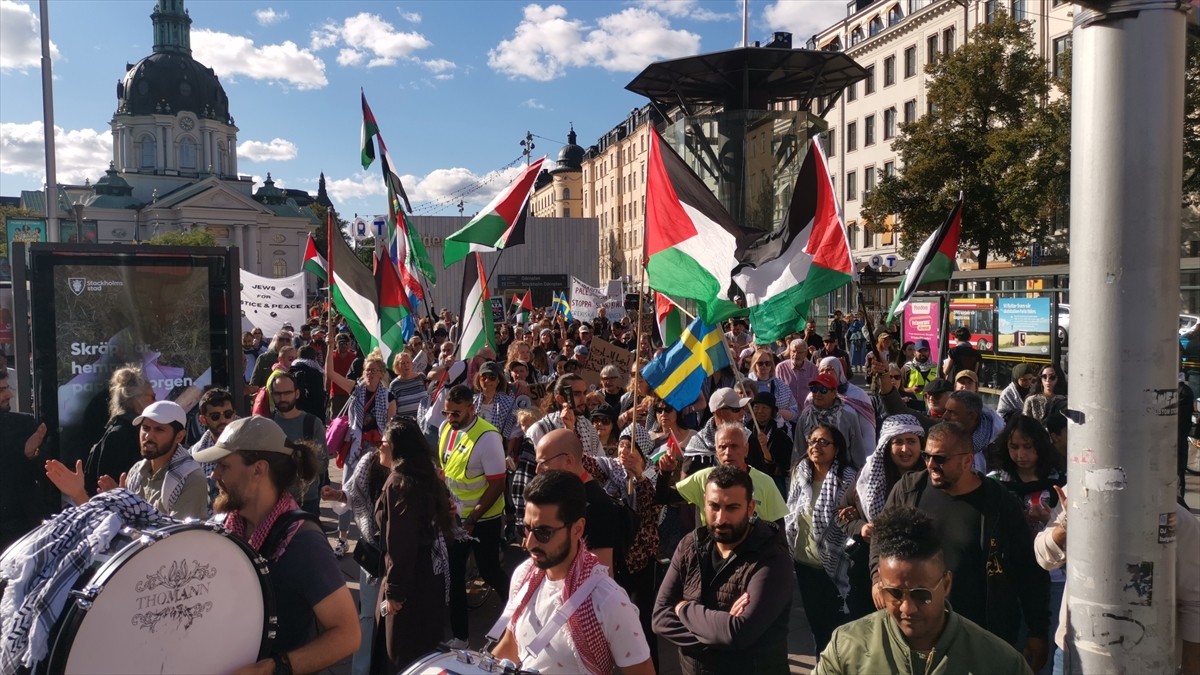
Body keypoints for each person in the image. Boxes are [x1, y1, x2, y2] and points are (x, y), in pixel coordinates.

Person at [875, 422, 1050, 669]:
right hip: (916, 634)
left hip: (981, 639)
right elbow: (881, 539)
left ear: (968, 461)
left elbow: (1028, 570)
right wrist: (876, 577)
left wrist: (1038, 630)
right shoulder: (908, 490)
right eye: (927, 456)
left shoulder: (1000, 503)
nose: (931, 465)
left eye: (941, 459)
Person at [193, 417, 359, 673]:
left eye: (224, 466)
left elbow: (348, 634)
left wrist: (273, 668)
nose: (214, 475)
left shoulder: (303, 542)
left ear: (259, 469)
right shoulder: (227, 527)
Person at [817, 506, 1034, 674]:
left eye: (921, 595)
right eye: (894, 593)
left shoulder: (999, 662)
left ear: (946, 584)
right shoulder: (847, 648)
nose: (908, 608)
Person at [492, 470, 654, 675]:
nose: (529, 543)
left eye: (544, 533)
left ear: (577, 529)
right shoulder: (523, 576)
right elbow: (511, 646)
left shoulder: (608, 600)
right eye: (526, 528)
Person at [1035, 489, 1199, 675]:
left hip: (1146, 660)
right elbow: (1044, 558)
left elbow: (1194, 601)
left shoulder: (1175, 519)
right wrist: (1066, 523)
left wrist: (1191, 667)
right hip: (1074, 652)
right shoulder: (1078, 492)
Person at [653, 465, 793, 674]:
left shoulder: (771, 558)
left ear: (750, 507)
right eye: (714, 506)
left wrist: (683, 608)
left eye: (732, 508)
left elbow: (738, 634)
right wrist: (721, 632)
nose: (721, 518)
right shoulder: (690, 545)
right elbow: (660, 618)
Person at [370, 418, 457, 674]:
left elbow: (400, 539)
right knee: (423, 653)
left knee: (398, 654)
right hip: (429, 581)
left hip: (408, 584)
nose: (379, 448)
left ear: (396, 446)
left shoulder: (398, 484)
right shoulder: (427, 478)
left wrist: (395, 591)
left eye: (382, 442)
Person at [439, 383, 510, 644]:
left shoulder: (488, 437)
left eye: (456, 413)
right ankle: (460, 637)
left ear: (472, 408)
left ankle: (515, 614)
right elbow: (448, 470)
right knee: (455, 575)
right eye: (447, 412)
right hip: (456, 518)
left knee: (490, 571)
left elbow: (497, 484)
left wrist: (473, 519)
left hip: (484, 520)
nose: (450, 418)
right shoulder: (448, 428)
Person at [786, 423, 861, 654]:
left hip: (837, 565)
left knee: (840, 628)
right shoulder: (800, 473)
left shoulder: (848, 478)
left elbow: (858, 512)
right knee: (817, 626)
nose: (816, 446)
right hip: (805, 565)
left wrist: (854, 513)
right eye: (812, 441)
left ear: (836, 449)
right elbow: (791, 512)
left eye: (823, 442)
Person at [534, 428, 626, 575]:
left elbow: (601, 574)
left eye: (543, 462)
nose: (537, 470)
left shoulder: (598, 507)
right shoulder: (567, 495)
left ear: (568, 461)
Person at [662, 423, 789, 525]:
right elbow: (664, 497)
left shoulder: (764, 482)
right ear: (716, 451)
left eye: (734, 446)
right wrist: (665, 473)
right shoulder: (704, 478)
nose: (728, 452)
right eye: (722, 447)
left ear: (746, 449)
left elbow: (779, 530)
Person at [83, 366, 154, 497]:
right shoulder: (120, 435)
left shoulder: (126, 430)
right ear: (137, 398)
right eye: (152, 397)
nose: (156, 402)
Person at [269, 372, 328, 522]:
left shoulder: (312, 423)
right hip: (272, 500)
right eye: (277, 394)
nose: (282, 398)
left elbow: (322, 463)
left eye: (287, 393)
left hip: (306, 501)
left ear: (297, 393)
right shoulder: (266, 424)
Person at [0, 370, 48, 550]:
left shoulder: (23, 425)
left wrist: (31, 454)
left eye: (7, 388)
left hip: (20, 532)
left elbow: (46, 473)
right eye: (1, 390)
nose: (9, 395)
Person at [798, 373, 870, 468]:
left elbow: (858, 452)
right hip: (811, 473)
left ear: (834, 393)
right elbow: (798, 452)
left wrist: (859, 477)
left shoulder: (848, 417)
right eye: (814, 389)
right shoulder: (805, 418)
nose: (817, 394)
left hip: (842, 474)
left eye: (823, 390)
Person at [474, 361, 522, 461]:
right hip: (473, 449)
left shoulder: (508, 403)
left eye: (492, 377)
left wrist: (506, 455)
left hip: (495, 452)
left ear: (498, 381)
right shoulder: (472, 402)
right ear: (479, 379)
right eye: (484, 377)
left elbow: (512, 433)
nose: (487, 380)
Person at [746, 391, 793, 494]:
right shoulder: (744, 432)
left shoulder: (781, 436)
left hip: (772, 485)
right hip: (747, 482)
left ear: (772, 412)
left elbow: (785, 469)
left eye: (765, 408)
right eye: (756, 407)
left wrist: (764, 448)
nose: (760, 411)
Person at [748, 350, 799, 422]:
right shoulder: (746, 385)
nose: (764, 366)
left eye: (767, 363)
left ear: (771, 365)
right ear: (754, 364)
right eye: (760, 363)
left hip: (776, 428)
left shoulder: (781, 386)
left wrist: (777, 412)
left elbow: (794, 412)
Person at [776, 338, 820, 407]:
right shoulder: (781, 368)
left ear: (805, 353)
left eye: (800, 352)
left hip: (807, 411)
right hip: (787, 412)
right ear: (790, 352)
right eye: (793, 351)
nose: (796, 355)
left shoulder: (813, 369)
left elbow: (817, 391)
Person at [388, 349, 427, 419]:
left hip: (424, 420)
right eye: (402, 363)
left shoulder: (421, 377)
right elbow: (393, 407)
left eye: (408, 362)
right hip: (406, 423)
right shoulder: (394, 384)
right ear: (397, 366)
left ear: (412, 364)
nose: (406, 365)